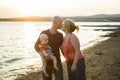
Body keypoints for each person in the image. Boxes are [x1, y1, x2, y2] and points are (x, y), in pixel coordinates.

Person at [34, 16, 63, 80]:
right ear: (55, 23)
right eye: (60, 22)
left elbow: (62, 48)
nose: (62, 24)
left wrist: (68, 59)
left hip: (57, 61)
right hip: (47, 63)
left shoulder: (60, 35)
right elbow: (36, 46)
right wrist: (42, 55)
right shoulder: (44, 33)